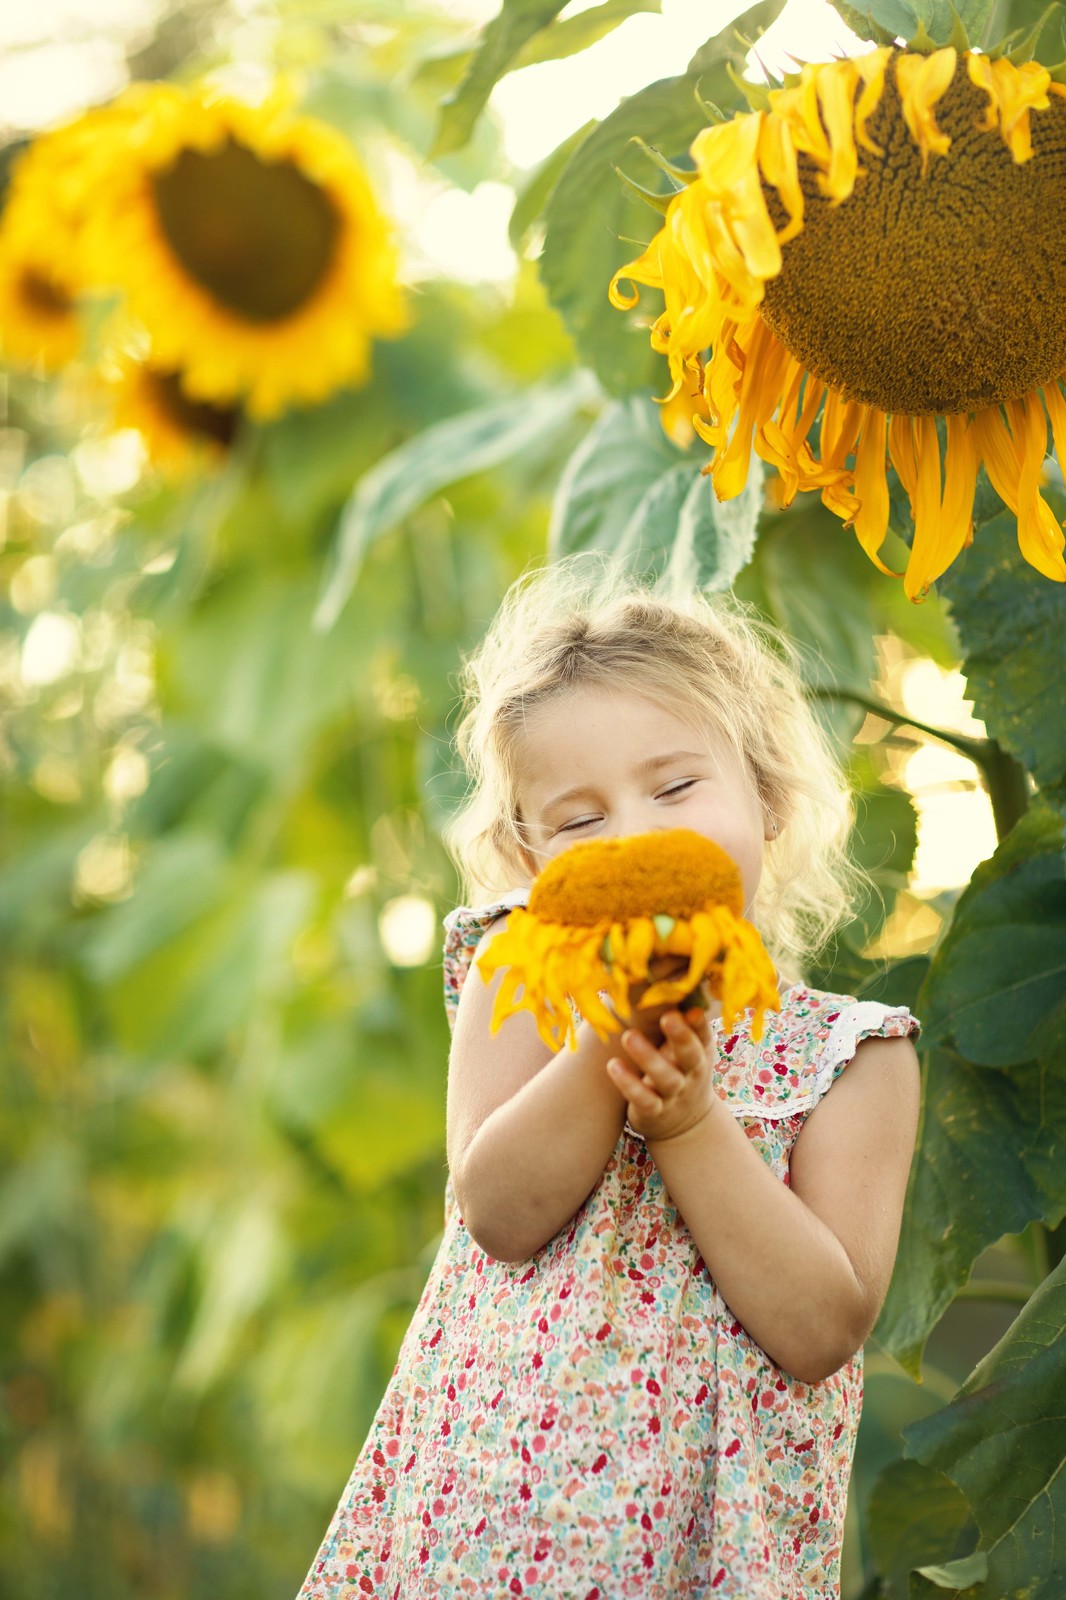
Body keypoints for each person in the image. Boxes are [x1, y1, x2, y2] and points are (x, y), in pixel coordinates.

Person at [297, 561, 921, 1600]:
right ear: (531, 858)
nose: (635, 834)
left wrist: (688, 1121)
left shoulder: (850, 1057)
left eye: (675, 787)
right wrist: (609, 1031)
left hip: (707, 1545)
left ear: (765, 797)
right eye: (580, 822)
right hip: (491, 1520)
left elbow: (819, 1330)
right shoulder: (522, 971)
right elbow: (496, 1210)